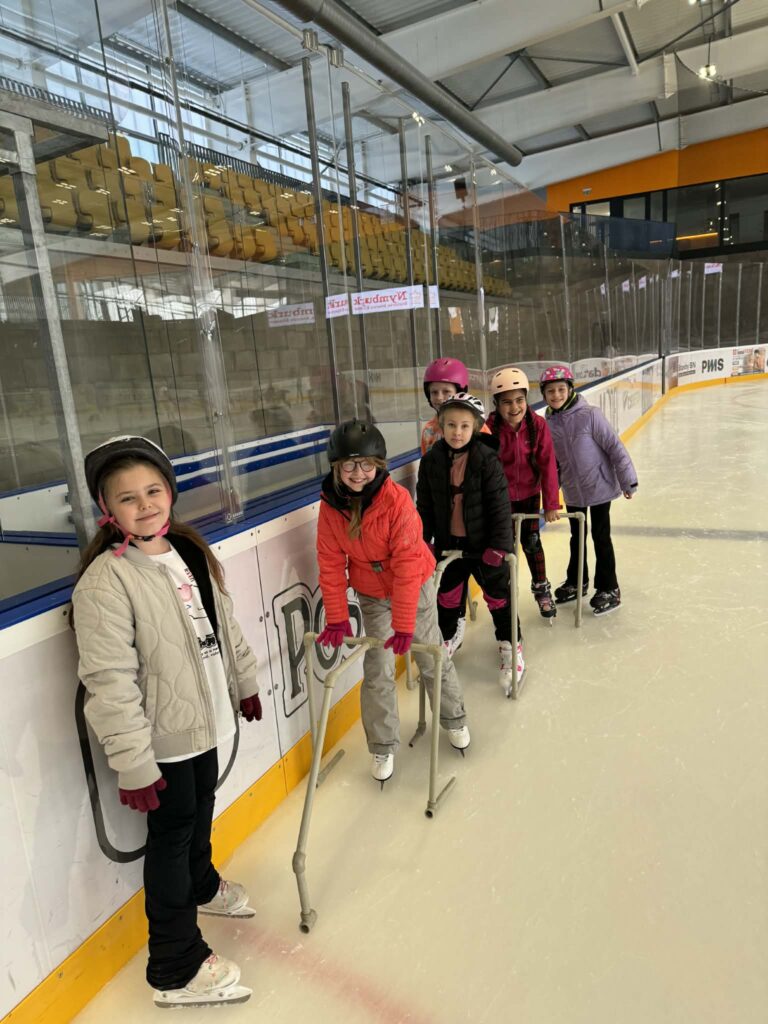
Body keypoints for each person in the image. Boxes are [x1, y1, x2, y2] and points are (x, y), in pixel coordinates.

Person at [71, 436, 261, 1009]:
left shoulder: (187, 550)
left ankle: (202, 884)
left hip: (205, 719)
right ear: (107, 509)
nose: (145, 505)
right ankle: (175, 964)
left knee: (201, 809)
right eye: (127, 497)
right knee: (172, 839)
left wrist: (244, 681)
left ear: (170, 493)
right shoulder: (106, 581)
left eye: (153, 490)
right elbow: (109, 681)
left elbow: (223, 623)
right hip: (163, 740)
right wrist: (133, 763)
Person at [316, 418, 470, 784]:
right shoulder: (330, 506)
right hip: (371, 594)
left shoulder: (396, 501)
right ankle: (382, 744)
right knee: (378, 666)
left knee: (430, 655)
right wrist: (337, 617)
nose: (358, 473)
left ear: (378, 465)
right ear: (336, 467)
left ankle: (454, 718)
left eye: (366, 464)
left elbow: (405, 567)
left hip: (414, 585)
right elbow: (330, 562)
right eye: (349, 465)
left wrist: (403, 625)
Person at [416, 393, 523, 694]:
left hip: (485, 546)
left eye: (464, 426)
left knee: (498, 598)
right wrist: (424, 541)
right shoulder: (431, 461)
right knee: (447, 598)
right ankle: (449, 637)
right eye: (451, 425)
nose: (457, 432)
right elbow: (424, 506)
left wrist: (499, 546)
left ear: (475, 428)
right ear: (441, 426)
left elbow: (500, 506)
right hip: (449, 545)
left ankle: (510, 645)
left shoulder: (486, 459)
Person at [539, 365, 638, 615]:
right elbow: (553, 465)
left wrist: (627, 480)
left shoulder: (590, 415)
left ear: (570, 389)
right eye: (550, 391)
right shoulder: (548, 424)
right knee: (577, 538)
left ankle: (609, 588)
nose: (556, 395)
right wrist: (550, 496)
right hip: (574, 490)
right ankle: (577, 581)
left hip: (599, 485)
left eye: (561, 389)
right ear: (544, 395)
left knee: (601, 537)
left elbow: (614, 446)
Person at [420, 357, 490, 652]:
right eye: (434, 392)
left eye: (446, 392)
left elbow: (488, 474)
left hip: (474, 517)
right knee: (450, 575)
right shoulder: (428, 430)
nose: (439, 397)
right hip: (446, 518)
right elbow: (429, 474)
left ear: (460, 391)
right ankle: (456, 620)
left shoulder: (478, 429)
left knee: (478, 573)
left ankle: (493, 628)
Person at [486, 367, 561, 619]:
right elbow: (483, 468)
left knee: (531, 542)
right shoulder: (489, 428)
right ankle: (503, 594)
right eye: (506, 402)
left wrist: (551, 503)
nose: (514, 407)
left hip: (529, 494)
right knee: (503, 548)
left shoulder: (536, 425)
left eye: (519, 400)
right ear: (497, 404)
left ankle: (541, 589)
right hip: (500, 499)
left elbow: (547, 464)